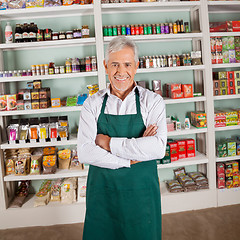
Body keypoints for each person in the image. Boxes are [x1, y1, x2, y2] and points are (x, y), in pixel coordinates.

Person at [77, 36, 167, 240]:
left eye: (127, 64)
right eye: (115, 64)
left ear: (136, 66)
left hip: (141, 192)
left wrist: (108, 143)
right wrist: (130, 158)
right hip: (103, 192)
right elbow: (84, 152)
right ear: (106, 66)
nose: (120, 71)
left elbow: (157, 148)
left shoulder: (153, 101)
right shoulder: (92, 104)